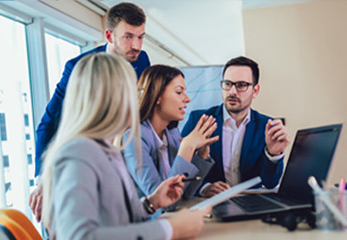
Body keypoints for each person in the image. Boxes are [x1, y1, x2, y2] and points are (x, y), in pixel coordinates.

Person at [41, 53, 210, 240]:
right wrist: (169, 230)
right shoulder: (79, 152)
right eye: (131, 91)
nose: (137, 99)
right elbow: (78, 236)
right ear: (109, 97)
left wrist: (151, 202)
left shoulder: (104, 148)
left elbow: (115, 216)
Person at [30, 2, 150, 221]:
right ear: (109, 35)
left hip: (122, 157)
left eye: (141, 36)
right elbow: (49, 122)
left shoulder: (141, 61)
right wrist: (41, 179)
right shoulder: (79, 67)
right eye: (128, 37)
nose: (136, 45)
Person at [182, 56, 291, 197]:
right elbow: (179, 172)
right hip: (210, 205)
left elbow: (270, 183)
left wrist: (273, 154)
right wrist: (204, 187)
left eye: (241, 85)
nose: (232, 91)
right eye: (228, 84)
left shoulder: (267, 126)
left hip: (251, 205)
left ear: (255, 91)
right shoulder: (199, 120)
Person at [124, 65, 218, 210]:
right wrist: (187, 148)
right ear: (158, 97)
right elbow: (163, 204)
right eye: (179, 92)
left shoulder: (172, 134)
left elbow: (186, 193)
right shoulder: (134, 139)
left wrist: (201, 155)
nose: (187, 99)